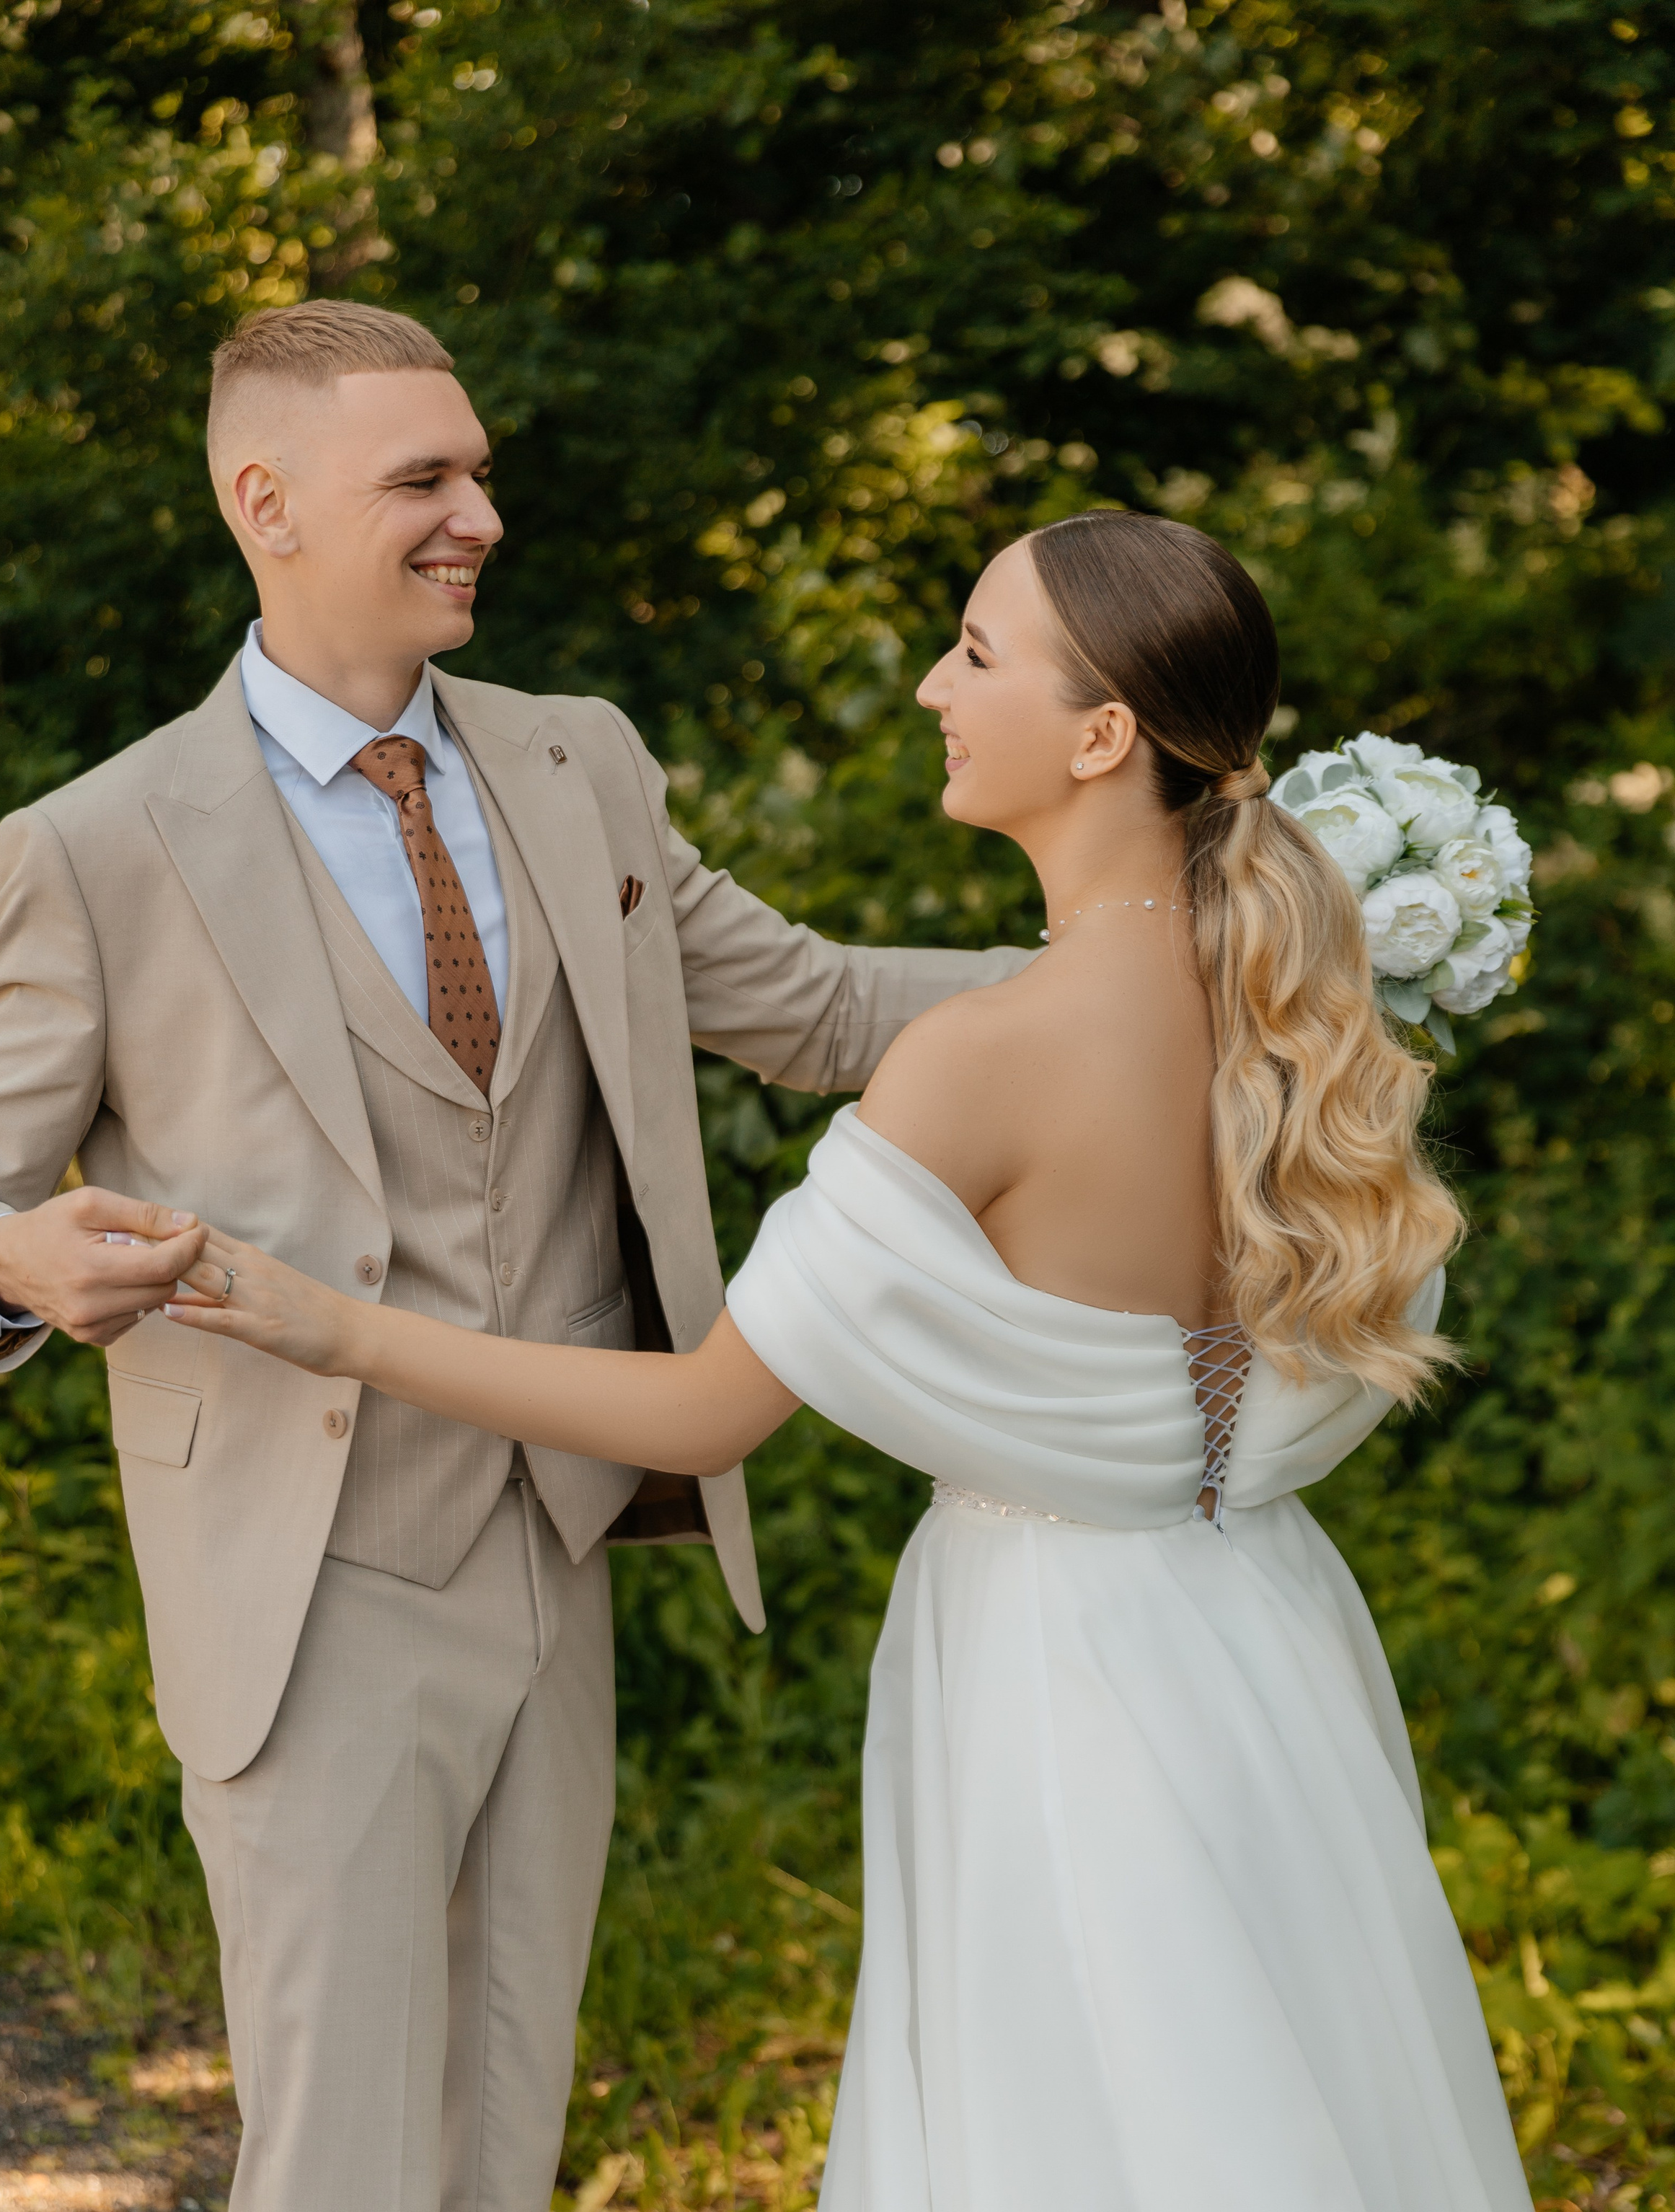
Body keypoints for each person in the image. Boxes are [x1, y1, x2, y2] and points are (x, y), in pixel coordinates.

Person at [156, 511, 1534, 2211]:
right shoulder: (1290, 1011)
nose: (926, 684)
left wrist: (338, 1328)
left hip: (1051, 1675)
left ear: (1101, 734)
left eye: (972, 651)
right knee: (1273, 2098)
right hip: (1267, 1641)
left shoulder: (985, 1061)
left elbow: (704, 1409)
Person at [0, 299, 1033, 2212]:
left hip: (563, 1542)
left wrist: (1171, 980)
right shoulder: (99, 846)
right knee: (338, 2143)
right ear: (271, 501)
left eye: (478, 470)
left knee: (505, 2118)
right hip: (302, 1576)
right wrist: (2, 1255)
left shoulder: (582, 765)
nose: (479, 512)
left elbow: (825, 1009)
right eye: (424, 476)